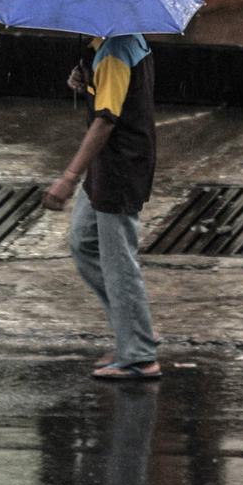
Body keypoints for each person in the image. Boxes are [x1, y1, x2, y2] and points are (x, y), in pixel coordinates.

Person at [42, 34, 161, 380]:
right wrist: (84, 79)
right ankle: (135, 330)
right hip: (108, 165)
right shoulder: (105, 47)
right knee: (84, 243)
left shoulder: (115, 51)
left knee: (118, 261)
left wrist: (68, 177)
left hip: (120, 165)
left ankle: (138, 355)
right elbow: (113, 94)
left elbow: (106, 119)